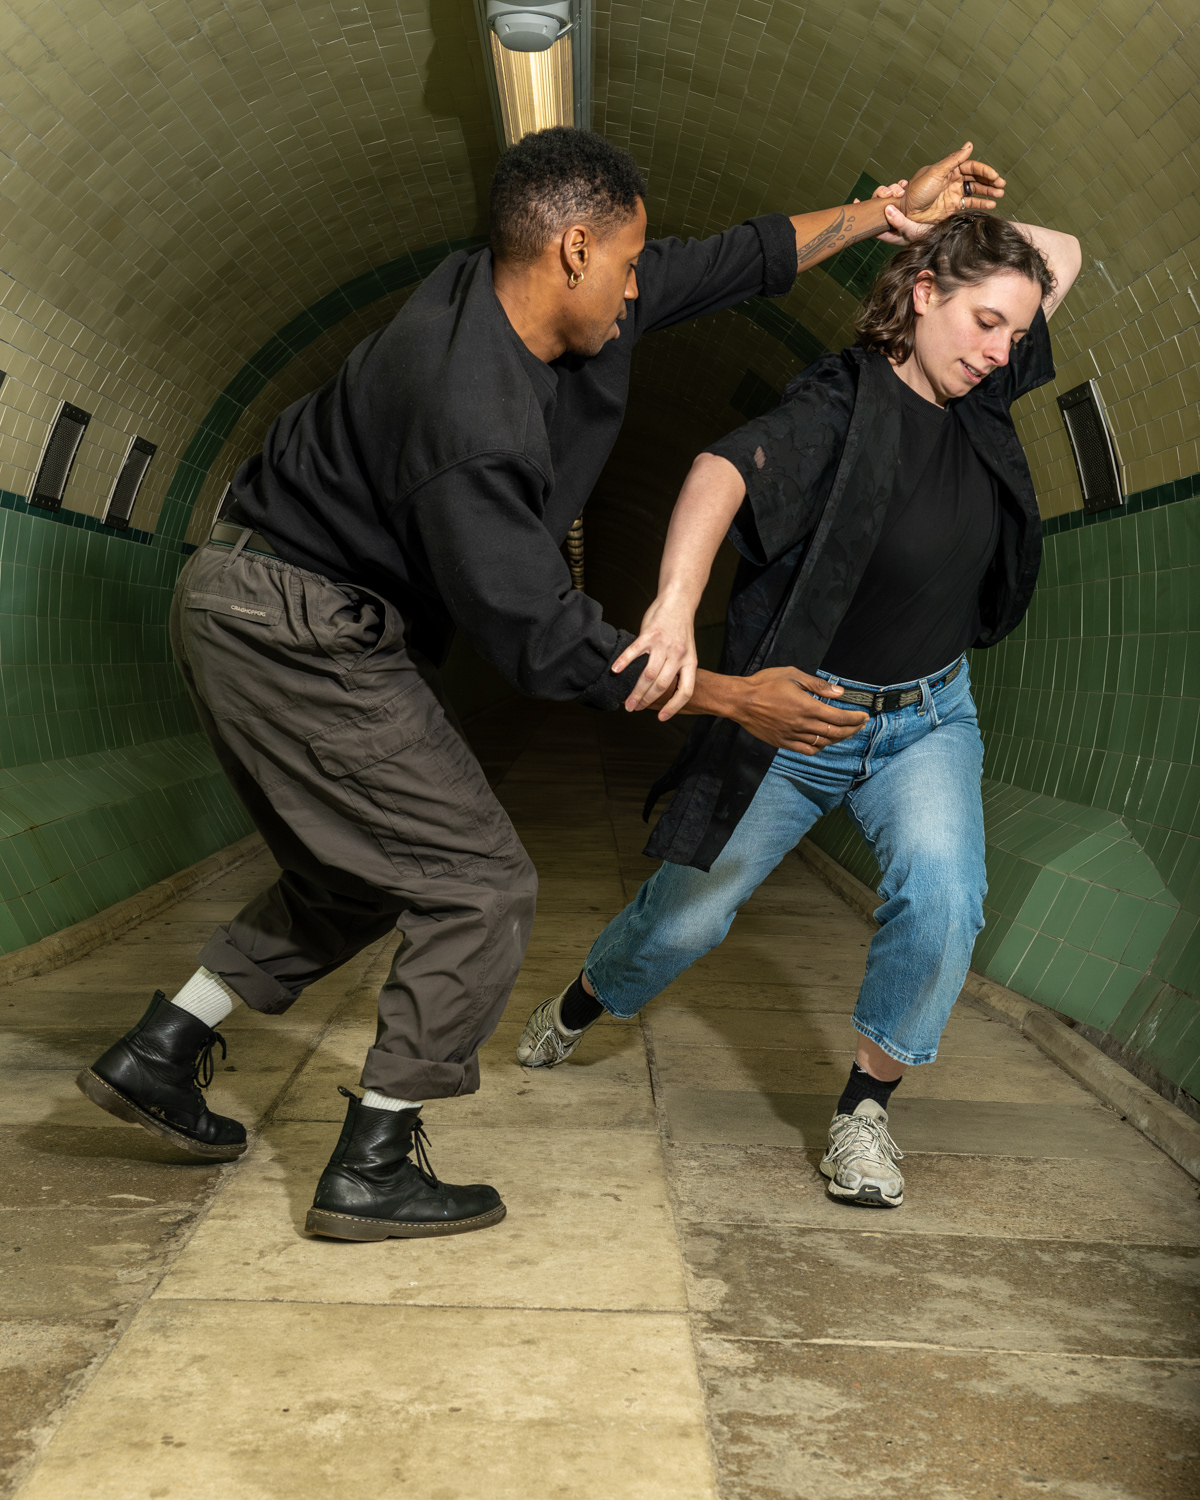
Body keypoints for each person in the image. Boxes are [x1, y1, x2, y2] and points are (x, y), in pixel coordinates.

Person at [77, 127, 1007, 1240]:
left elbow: (735, 259)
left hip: (275, 605)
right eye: (625, 264)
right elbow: (538, 636)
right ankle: (376, 1158)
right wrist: (730, 696)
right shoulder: (467, 416)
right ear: (572, 249)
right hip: (292, 624)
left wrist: (879, 216)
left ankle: (162, 1049)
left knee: (360, 877)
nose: (637, 286)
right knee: (479, 881)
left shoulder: (536, 293)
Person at [518, 205, 1082, 1210]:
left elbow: (1066, 254)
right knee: (691, 916)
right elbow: (716, 472)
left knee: (945, 896)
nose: (1002, 351)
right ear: (922, 295)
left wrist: (953, 220)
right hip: (804, 715)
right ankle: (584, 997)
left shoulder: (985, 399)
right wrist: (677, 610)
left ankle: (864, 1115)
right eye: (985, 322)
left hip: (929, 716)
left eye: (1015, 332)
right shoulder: (840, 404)